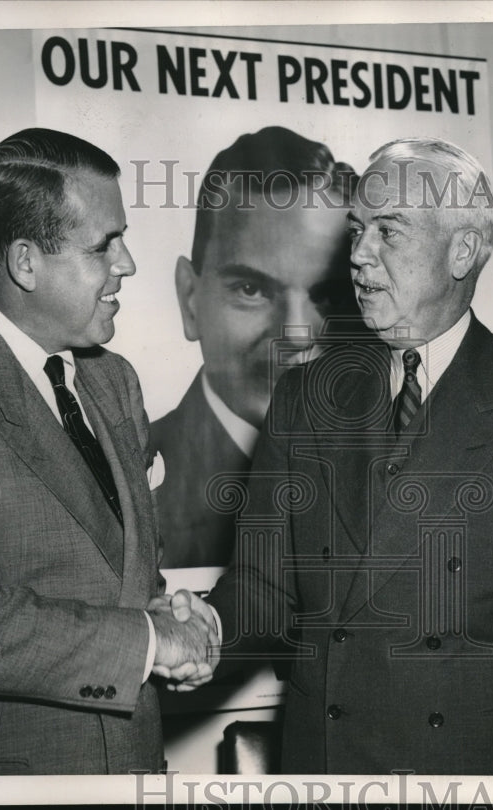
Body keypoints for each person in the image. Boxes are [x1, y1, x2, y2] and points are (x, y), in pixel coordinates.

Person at [169, 137, 493, 774]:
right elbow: (264, 584)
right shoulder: (304, 396)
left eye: (389, 231)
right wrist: (208, 629)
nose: (358, 255)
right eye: (357, 229)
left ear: (462, 250)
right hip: (329, 766)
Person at [0, 128, 215, 775]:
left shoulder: (113, 381)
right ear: (26, 262)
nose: (128, 265)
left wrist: (171, 616)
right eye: (104, 246)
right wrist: (149, 642)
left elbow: (120, 582)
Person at [151, 126, 359, 568]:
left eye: (328, 296)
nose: (297, 334)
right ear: (190, 300)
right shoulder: (127, 482)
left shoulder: (404, 469)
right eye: (251, 289)